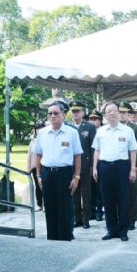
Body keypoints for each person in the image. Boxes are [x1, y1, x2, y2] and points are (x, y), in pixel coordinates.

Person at [34, 103, 83, 241]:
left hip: (64, 173)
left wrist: (77, 177)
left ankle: (66, 237)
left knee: (65, 207)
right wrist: (38, 175)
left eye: (56, 113)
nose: (53, 116)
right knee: (49, 206)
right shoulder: (43, 133)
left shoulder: (72, 132)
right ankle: (52, 237)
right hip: (47, 173)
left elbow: (77, 155)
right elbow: (38, 155)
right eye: (50, 113)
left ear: (64, 114)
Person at [92, 102, 137, 241]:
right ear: (105, 115)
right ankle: (111, 230)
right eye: (108, 111)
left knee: (122, 199)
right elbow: (96, 150)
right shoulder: (101, 131)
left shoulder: (127, 130)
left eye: (114, 111)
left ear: (119, 113)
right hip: (104, 167)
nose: (111, 113)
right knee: (108, 200)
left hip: (121, 167)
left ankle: (123, 231)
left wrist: (133, 169)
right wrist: (94, 167)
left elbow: (133, 150)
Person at [68, 101, 96, 229]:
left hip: (85, 165)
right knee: (74, 193)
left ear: (83, 112)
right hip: (72, 166)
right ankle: (76, 218)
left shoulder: (89, 127)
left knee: (86, 194)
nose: (75, 113)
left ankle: (86, 220)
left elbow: (93, 148)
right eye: (73, 111)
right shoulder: (68, 127)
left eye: (77, 111)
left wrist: (92, 166)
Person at [118, 102, 137, 230]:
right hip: (117, 165)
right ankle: (120, 219)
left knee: (132, 193)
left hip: (130, 165)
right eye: (120, 112)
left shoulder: (135, 128)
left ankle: (131, 219)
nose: (122, 115)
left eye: (124, 112)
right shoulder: (113, 127)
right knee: (119, 193)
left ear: (129, 114)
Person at [88, 110, 104, 220]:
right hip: (88, 163)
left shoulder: (103, 131)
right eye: (91, 119)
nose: (93, 121)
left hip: (100, 163)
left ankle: (99, 211)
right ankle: (91, 211)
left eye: (95, 119)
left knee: (99, 188)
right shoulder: (87, 130)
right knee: (90, 189)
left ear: (100, 120)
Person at [27, 121, 46, 211]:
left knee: (45, 186)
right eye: (37, 128)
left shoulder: (47, 138)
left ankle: (46, 204)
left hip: (45, 166)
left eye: (40, 127)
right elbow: (29, 155)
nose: (39, 129)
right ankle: (39, 204)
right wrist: (28, 167)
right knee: (38, 186)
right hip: (35, 166)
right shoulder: (33, 141)